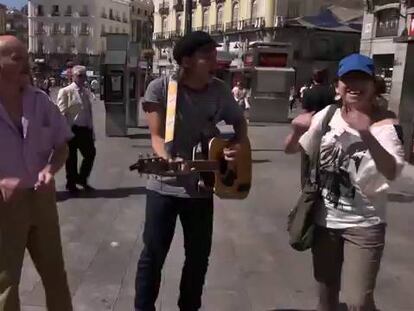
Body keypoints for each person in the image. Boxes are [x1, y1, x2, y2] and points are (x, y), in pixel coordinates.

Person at [134, 31, 248, 311]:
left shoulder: (219, 90)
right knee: (153, 254)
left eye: (214, 53)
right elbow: (157, 137)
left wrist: (237, 144)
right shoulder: (161, 89)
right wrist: (168, 159)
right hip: (164, 187)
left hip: (202, 187)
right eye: (206, 55)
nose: (214, 58)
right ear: (186, 60)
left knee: (198, 257)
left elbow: (239, 122)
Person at [284, 54, 405, 311]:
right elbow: (292, 149)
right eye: (347, 79)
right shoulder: (328, 115)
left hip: (365, 225)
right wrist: (296, 131)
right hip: (324, 221)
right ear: (338, 86)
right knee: (326, 299)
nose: (353, 86)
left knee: (358, 302)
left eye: (361, 79)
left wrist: (365, 132)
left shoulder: (386, 124)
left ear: (373, 85)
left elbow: (392, 171)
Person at [0, 35, 73, 310]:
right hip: (5, 206)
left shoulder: (40, 102)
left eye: (26, 56)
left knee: (55, 275)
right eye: (17, 58)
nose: (27, 63)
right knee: (6, 283)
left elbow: (62, 146)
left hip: (42, 201)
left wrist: (49, 169)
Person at [57, 65, 96, 193]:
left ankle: (82, 178)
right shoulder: (66, 91)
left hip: (85, 129)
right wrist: (63, 131)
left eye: (84, 76)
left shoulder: (86, 91)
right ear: (73, 76)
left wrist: (91, 130)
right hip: (72, 129)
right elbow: (61, 112)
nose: (82, 78)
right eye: (79, 75)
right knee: (71, 158)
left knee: (90, 154)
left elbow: (88, 112)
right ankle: (71, 184)